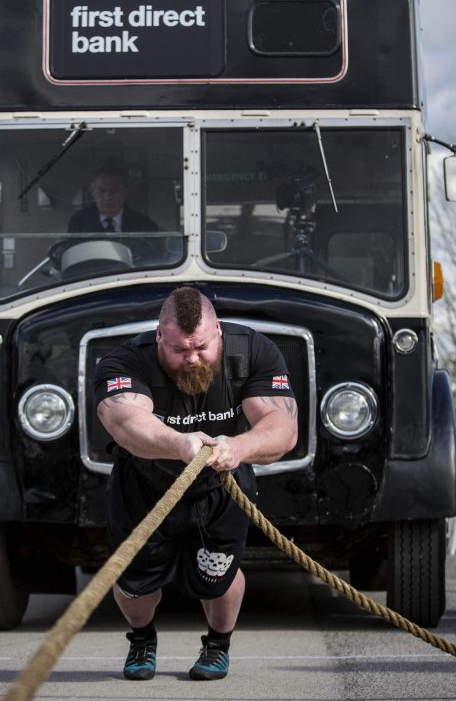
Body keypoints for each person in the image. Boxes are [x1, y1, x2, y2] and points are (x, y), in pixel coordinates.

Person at [94, 286, 298, 682]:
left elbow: (283, 428)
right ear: (158, 336)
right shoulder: (123, 362)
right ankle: (142, 638)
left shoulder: (253, 351)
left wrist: (238, 447)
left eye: (201, 347)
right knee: (134, 583)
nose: (191, 358)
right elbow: (125, 423)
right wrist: (176, 443)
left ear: (218, 330)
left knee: (217, 581)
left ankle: (217, 645)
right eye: (178, 349)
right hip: (146, 487)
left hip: (220, 488)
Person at [68, 163, 158, 238]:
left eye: (114, 190)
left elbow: (155, 258)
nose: (108, 196)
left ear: (125, 193)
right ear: (93, 192)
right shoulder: (78, 222)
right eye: (102, 190)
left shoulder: (145, 226)